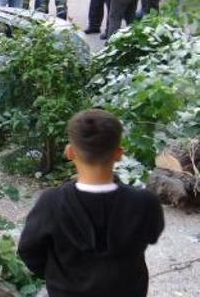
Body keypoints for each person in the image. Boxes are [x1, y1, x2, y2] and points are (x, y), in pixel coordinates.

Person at [19, 108, 164, 297]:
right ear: (119, 153)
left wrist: (57, 275)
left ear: (70, 152)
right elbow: (151, 235)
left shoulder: (51, 203)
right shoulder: (145, 202)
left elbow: (29, 250)